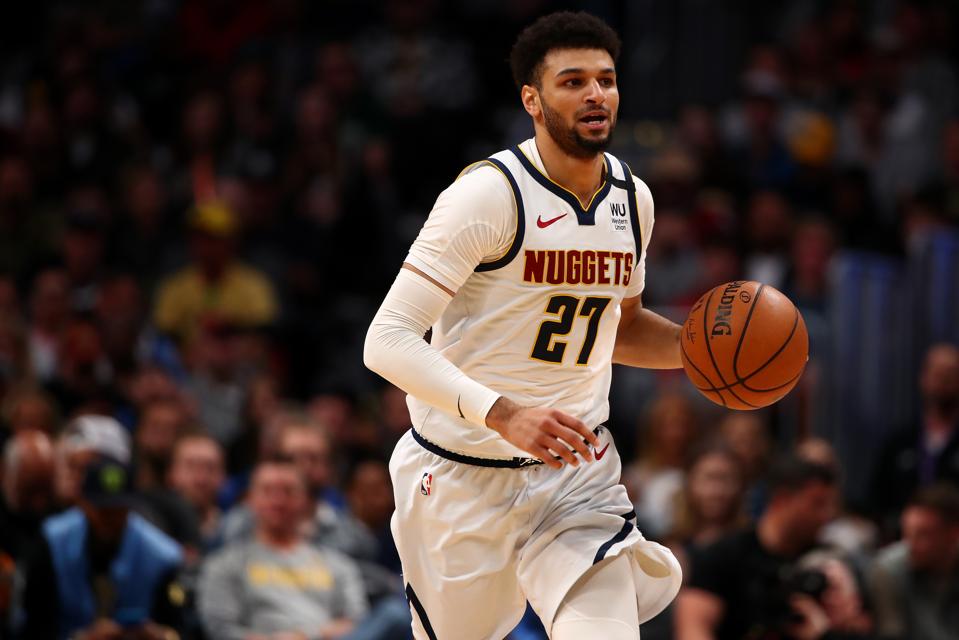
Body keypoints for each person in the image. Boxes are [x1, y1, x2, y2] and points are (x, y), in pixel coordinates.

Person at [364, 12, 683, 639]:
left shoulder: (632, 198)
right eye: (573, 82)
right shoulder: (488, 195)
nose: (596, 95)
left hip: (576, 473)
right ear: (532, 100)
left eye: (606, 80)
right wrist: (507, 414)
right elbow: (388, 339)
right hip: (462, 473)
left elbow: (621, 326)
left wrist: (704, 355)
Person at [197, 457, 368, 640]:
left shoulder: (339, 564)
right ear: (250, 498)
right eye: (267, 491)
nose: (278, 500)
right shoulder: (224, 564)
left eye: (288, 491)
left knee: (393, 615)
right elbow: (222, 629)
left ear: (306, 500)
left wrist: (304, 636)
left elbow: (358, 622)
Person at [674, 456, 840, 640]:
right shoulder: (721, 556)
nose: (826, 515)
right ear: (782, 499)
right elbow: (693, 630)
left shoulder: (828, 563)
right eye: (817, 504)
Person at [20, 455, 184, 639]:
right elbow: (32, 625)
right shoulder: (52, 542)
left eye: (118, 510)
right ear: (83, 503)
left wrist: (158, 634)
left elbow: (177, 627)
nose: (111, 519)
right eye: (103, 511)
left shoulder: (162, 555)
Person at [872, 343, 959, 537]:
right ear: (924, 378)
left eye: (951, 374)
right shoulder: (900, 441)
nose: (944, 381)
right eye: (938, 374)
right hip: (900, 540)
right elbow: (876, 500)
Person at [869, 484, 959, 640]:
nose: (910, 545)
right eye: (906, 533)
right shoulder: (889, 571)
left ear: (953, 533)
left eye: (923, 535)